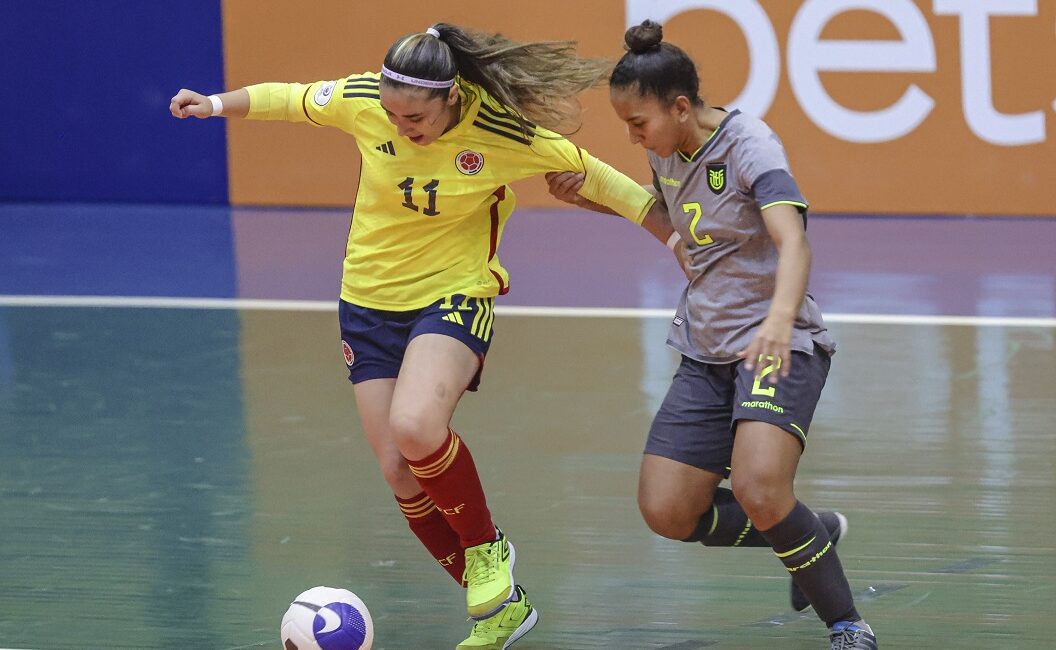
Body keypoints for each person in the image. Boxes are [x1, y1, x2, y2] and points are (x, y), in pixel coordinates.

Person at [171, 22, 674, 650]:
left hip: (453, 293)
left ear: (451, 98)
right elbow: (291, 98)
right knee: (399, 471)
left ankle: (489, 549)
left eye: (414, 116)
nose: (401, 125)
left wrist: (682, 244)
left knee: (415, 427)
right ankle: (502, 612)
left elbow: (609, 184)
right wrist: (215, 103)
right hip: (366, 303)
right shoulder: (365, 103)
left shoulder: (499, 132)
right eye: (391, 112)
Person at [546, 20, 878, 650]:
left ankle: (847, 625)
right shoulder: (666, 149)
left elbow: (793, 241)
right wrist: (593, 199)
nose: (633, 135)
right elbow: (673, 218)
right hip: (705, 350)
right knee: (668, 512)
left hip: (777, 344)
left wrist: (778, 321)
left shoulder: (751, 145)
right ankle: (810, 531)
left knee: (758, 488)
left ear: (679, 106)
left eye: (637, 122)